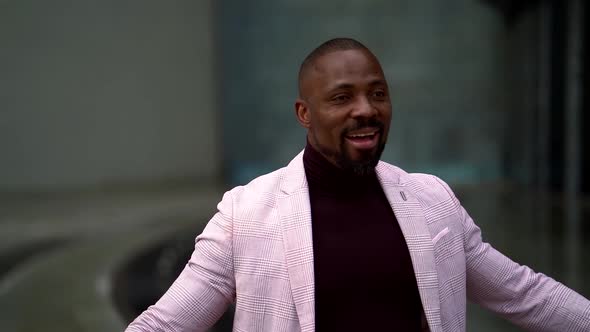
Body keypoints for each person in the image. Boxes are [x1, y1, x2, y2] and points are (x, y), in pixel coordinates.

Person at [125, 38, 590, 332]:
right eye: (342, 98)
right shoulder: (246, 213)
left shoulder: (433, 201)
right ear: (304, 114)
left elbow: (526, 294)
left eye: (378, 93)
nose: (366, 109)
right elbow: (166, 325)